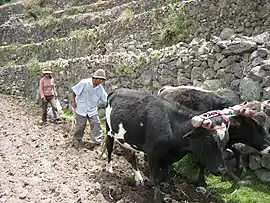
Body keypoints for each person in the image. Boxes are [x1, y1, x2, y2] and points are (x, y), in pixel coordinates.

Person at [71, 68, 108, 148]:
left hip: (92, 110)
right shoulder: (84, 83)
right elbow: (74, 91)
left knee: (96, 124)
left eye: (102, 80)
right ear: (95, 78)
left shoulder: (100, 88)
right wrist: (73, 102)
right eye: (100, 80)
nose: (101, 82)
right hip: (81, 109)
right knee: (81, 126)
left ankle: (97, 142)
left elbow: (106, 99)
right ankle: (77, 139)